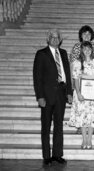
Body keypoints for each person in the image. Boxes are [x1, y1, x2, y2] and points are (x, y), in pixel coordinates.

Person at [33, 29, 72, 166]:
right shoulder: (41, 54)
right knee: (46, 126)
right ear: (48, 39)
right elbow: (37, 77)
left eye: (57, 37)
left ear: (60, 40)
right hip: (47, 95)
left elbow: (66, 72)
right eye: (52, 37)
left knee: (59, 126)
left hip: (61, 94)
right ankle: (46, 156)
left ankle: (57, 154)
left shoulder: (63, 53)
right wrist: (40, 96)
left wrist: (69, 92)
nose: (55, 39)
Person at [69, 25, 94, 135]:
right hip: (80, 81)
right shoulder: (76, 47)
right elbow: (73, 65)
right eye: (84, 34)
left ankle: (93, 126)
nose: (86, 35)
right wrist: (73, 84)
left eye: (89, 34)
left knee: (93, 104)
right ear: (81, 35)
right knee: (80, 105)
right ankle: (80, 126)